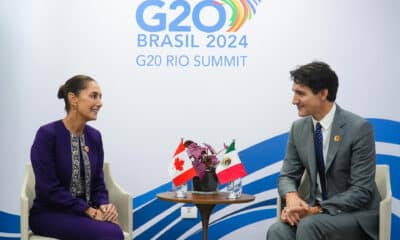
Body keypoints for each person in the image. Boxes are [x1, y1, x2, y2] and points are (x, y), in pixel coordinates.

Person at [266, 62, 380, 240]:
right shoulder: (298, 128)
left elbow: (360, 191)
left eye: (301, 93)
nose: (294, 100)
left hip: (354, 215)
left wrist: (315, 210)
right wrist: (292, 197)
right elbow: (287, 175)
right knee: (277, 231)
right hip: (314, 215)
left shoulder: (359, 128)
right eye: (294, 92)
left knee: (310, 225)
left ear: (323, 94)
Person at [29, 75, 124, 240]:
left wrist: (104, 205)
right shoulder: (47, 134)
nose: (100, 103)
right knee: (111, 233)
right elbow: (49, 189)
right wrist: (88, 210)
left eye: (100, 97)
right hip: (50, 213)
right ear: (73, 99)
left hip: (86, 213)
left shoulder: (95, 137)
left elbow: (98, 183)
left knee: (112, 229)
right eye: (93, 96)